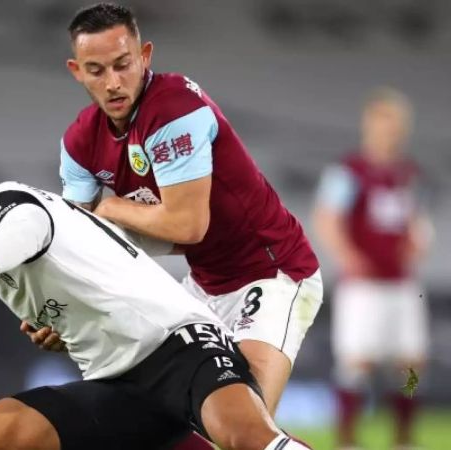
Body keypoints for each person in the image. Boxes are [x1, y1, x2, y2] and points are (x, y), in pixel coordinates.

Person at [0, 155, 312, 450]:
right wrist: (60, 329)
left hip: (179, 348)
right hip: (117, 385)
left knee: (249, 439)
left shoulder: (11, 206)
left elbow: (26, 230)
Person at [26, 2, 324, 428]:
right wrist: (60, 313)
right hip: (202, 285)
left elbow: (188, 225)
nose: (112, 82)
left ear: (145, 55)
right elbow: (77, 244)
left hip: (272, 271)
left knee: (246, 423)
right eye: (96, 70)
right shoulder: (79, 142)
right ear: (76, 70)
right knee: (171, 422)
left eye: (122, 65)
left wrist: (110, 206)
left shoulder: (174, 110)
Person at [313, 88, 432, 450]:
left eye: (394, 124)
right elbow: (327, 217)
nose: (389, 131)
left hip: (401, 282)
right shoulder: (349, 171)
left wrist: (419, 239)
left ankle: (403, 436)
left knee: (411, 365)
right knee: (356, 361)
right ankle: (347, 436)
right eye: (382, 123)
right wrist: (347, 255)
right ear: (369, 126)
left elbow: (416, 220)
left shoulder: (407, 173)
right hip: (363, 285)